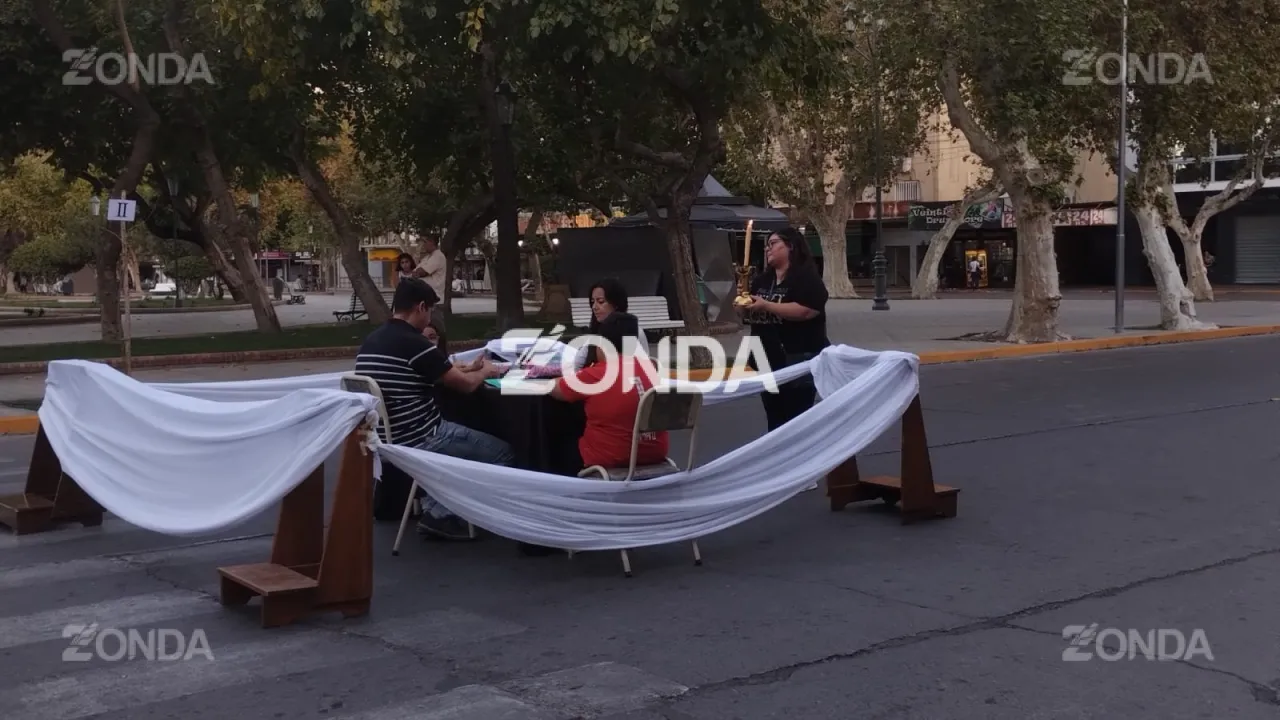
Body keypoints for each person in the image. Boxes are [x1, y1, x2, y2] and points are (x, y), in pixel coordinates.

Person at [355, 278, 514, 540]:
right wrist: (485, 371)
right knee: (503, 454)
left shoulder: (373, 341)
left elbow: (437, 372)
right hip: (423, 437)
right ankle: (443, 514)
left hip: (385, 440)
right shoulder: (414, 342)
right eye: (429, 311)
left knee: (461, 440)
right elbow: (463, 386)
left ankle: (436, 507)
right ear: (420, 307)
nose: (429, 319)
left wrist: (470, 368)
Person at [551, 311, 669, 471]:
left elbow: (556, 389)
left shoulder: (597, 374)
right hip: (656, 453)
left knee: (556, 444)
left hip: (611, 456)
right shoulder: (650, 369)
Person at [740, 226, 830, 432]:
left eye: (773, 244)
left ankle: (799, 460)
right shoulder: (762, 280)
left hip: (797, 357)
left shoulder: (806, 278)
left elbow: (807, 311)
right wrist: (742, 309)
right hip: (766, 358)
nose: (767, 249)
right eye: (766, 245)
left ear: (790, 246)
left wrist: (767, 305)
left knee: (796, 418)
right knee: (774, 416)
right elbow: (749, 315)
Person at [412, 236, 448, 303]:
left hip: (435, 299)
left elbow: (421, 272)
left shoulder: (438, 256)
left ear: (432, 242)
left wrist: (419, 272)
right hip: (425, 299)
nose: (423, 245)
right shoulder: (427, 257)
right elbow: (414, 272)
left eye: (425, 242)